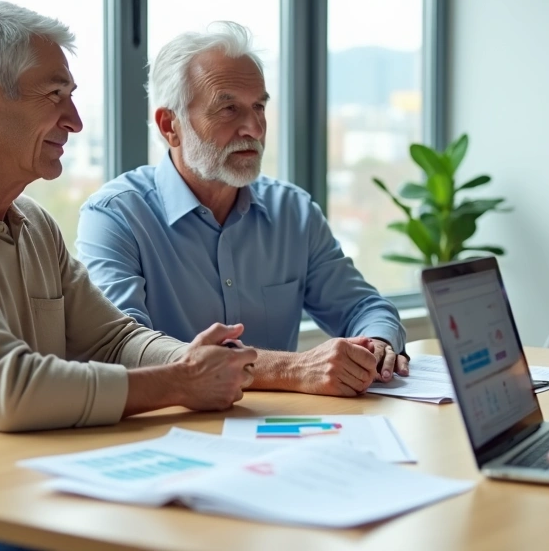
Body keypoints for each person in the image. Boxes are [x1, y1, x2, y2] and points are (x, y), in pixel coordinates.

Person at [0, 0, 258, 551]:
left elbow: (112, 338)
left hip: (32, 496)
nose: (75, 121)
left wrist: (188, 361)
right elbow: (8, 391)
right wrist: (180, 383)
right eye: (54, 95)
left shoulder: (31, 223)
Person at [77, 22, 408, 398]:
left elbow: (363, 306)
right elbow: (123, 350)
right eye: (228, 108)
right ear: (171, 126)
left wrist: (378, 345)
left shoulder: (293, 211)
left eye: (259, 106)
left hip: (281, 432)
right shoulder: (114, 216)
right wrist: (291, 369)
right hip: (173, 433)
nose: (253, 127)